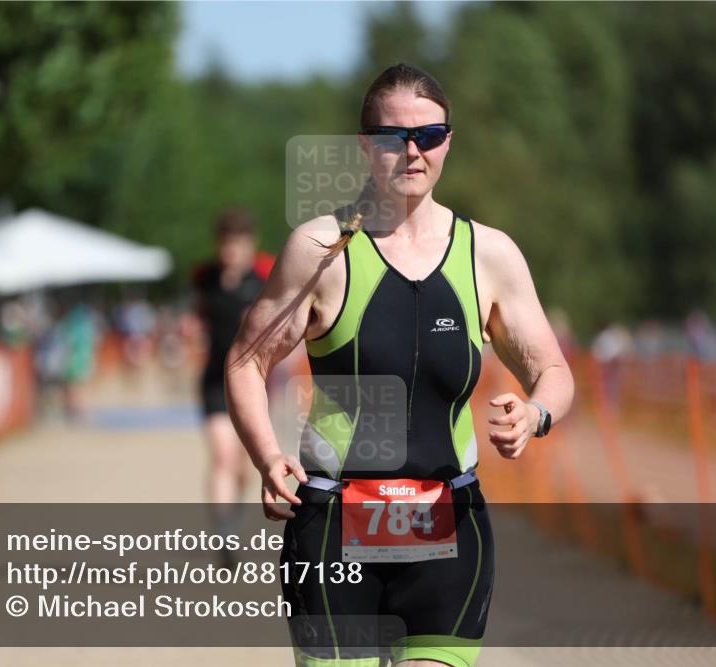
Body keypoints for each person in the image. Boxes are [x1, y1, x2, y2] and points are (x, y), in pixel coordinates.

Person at [225, 63, 574, 667]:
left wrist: (536, 412)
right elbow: (244, 363)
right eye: (393, 137)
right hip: (334, 529)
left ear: (448, 143)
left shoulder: (489, 255)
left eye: (429, 136)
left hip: (450, 526)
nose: (412, 151)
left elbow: (555, 372)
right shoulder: (321, 250)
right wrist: (266, 456)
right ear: (366, 145)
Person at [191, 208, 274, 552]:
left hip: (251, 382)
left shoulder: (264, 276)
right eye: (226, 243)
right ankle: (223, 533)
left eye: (238, 244)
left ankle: (233, 513)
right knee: (223, 456)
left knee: (241, 464)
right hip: (214, 379)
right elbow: (196, 315)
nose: (231, 251)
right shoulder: (204, 277)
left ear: (249, 245)